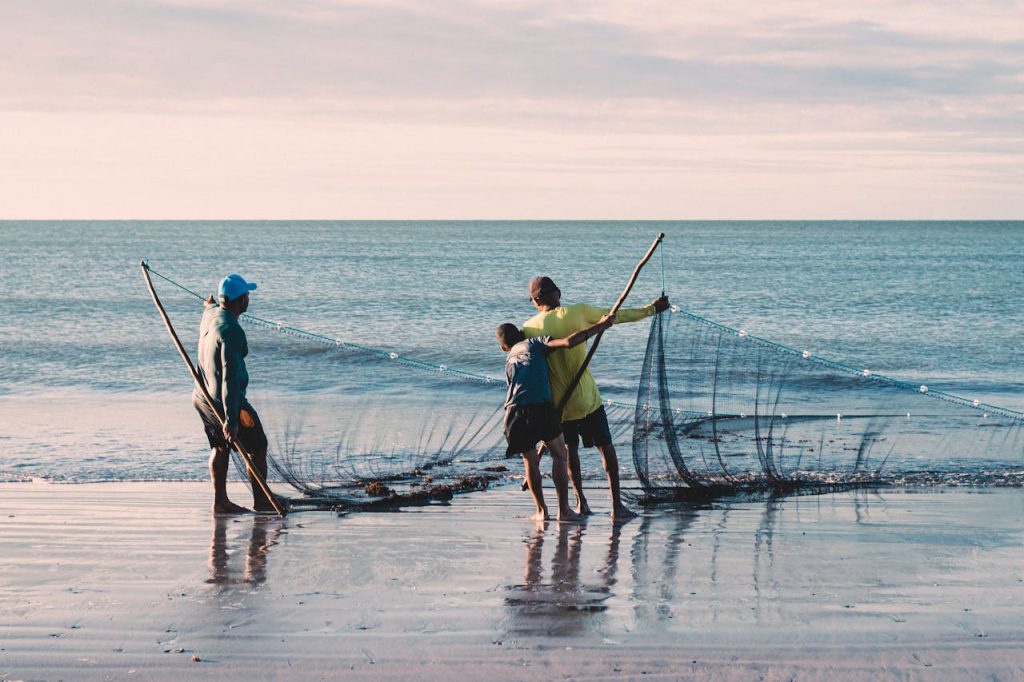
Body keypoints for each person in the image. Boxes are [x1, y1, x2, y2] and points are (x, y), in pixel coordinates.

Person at [523, 276, 669, 520]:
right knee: (606, 449)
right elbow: (617, 316)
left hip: (559, 406)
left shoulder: (528, 328)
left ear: (535, 301)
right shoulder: (579, 312)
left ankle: (581, 502)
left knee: (569, 451)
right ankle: (616, 506)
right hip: (588, 399)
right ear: (558, 293)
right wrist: (652, 309)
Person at [497, 314, 613, 522]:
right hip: (541, 407)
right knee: (560, 455)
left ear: (503, 348)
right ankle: (563, 510)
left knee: (530, 464)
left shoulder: (508, 359)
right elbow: (568, 342)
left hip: (513, 413)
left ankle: (541, 511)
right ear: (521, 334)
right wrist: (601, 325)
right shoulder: (534, 342)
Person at [193, 273, 278, 514]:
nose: (248, 298)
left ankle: (220, 502)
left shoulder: (210, 315)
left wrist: (209, 305)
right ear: (241, 300)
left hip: (202, 398)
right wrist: (231, 420)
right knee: (258, 446)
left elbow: (210, 308)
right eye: (247, 295)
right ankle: (262, 502)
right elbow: (229, 379)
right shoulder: (232, 331)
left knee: (219, 447)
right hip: (226, 401)